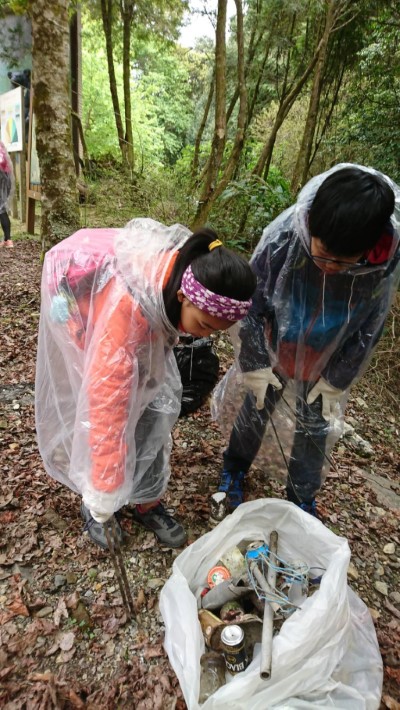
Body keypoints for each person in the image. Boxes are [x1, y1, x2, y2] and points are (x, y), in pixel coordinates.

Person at [35, 218, 256, 549]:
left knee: (155, 409)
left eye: (215, 331)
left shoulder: (179, 281)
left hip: (143, 323)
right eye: (204, 324)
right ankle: (97, 504)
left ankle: (146, 499)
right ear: (183, 296)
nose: (205, 335)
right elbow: (106, 403)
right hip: (85, 314)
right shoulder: (128, 310)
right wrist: (104, 493)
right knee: (116, 410)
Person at [212, 164, 400, 516]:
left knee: (314, 432)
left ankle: (301, 499)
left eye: (343, 261)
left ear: (368, 247)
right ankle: (234, 469)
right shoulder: (285, 238)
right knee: (254, 411)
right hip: (275, 348)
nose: (329, 265)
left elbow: (370, 328)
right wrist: (255, 363)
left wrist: (336, 381)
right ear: (313, 223)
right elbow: (250, 303)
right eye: (323, 252)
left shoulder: (384, 262)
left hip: (325, 363)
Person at [0, 141, 14, 248]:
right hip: (6, 177)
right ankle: (8, 240)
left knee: (1, 210)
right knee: (2, 209)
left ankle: (7, 240)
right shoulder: (1, 145)